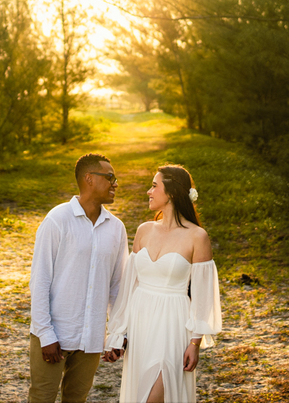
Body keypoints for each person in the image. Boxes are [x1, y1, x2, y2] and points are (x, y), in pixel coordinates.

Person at [105, 164, 222, 403]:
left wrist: (195, 342)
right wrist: (118, 333)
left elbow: (203, 296)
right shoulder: (144, 231)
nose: (149, 191)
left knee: (157, 395)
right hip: (141, 323)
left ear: (171, 193)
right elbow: (129, 287)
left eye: (154, 186)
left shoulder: (197, 237)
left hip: (173, 324)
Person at [28, 153, 128, 403]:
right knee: (42, 397)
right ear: (89, 179)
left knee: (77, 399)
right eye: (110, 177)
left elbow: (118, 287)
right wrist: (45, 335)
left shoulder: (117, 228)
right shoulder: (57, 220)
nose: (115, 183)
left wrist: (116, 334)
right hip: (54, 335)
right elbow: (40, 281)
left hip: (91, 338)